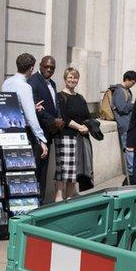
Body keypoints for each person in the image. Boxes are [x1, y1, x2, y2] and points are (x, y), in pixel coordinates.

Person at [2, 53, 50, 201]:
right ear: (31, 69)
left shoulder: (7, 83)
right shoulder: (25, 86)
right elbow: (31, 116)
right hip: (25, 133)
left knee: (13, 171)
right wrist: (42, 139)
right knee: (28, 172)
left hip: (8, 130)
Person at [29, 55, 64, 198]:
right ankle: (37, 201)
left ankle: (41, 200)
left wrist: (59, 120)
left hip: (50, 132)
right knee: (37, 170)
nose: (49, 69)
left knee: (44, 170)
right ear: (40, 66)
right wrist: (53, 121)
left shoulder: (53, 84)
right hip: (38, 134)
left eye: (52, 68)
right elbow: (36, 108)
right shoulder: (33, 82)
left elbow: (55, 105)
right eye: (46, 66)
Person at [54, 67, 91, 201]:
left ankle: (70, 199)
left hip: (80, 138)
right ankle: (58, 199)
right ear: (65, 79)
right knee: (63, 171)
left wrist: (86, 126)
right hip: (65, 137)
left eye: (75, 77)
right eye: (70, 77)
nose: (72, 80)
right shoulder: (60, 96)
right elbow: (64, 117)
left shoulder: (80, 97)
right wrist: (80, 127)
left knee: (74, 172)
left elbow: (87, 116)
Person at [111, 70, 136, 181]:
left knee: (131, 149)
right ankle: (131, 174)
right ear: (126, 80)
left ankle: (132, 172)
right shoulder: (119, 91)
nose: (133, 84)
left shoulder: (127, 91)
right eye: (132, 82)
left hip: (128, 124)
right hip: (124, 125)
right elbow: (122, 108)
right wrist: (133, 105)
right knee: (129, 150)